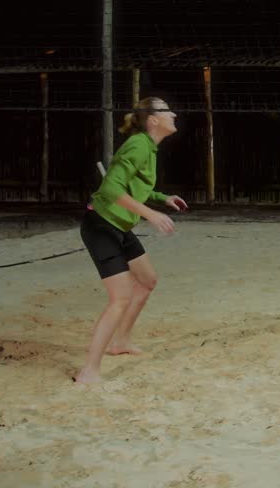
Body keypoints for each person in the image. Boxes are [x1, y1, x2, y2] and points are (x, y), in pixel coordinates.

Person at [74, 97, 187, 384]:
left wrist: (162, 198)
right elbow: (110, 188)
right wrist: (150, 213)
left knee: (147, 280)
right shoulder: (139, 145)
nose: (173, 114)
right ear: (153, 120)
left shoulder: (149, 147)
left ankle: (121, 342)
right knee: (121, 297)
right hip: (101, 226)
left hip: (120, 227)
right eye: (166, 110)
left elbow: (133, 186)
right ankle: (89, 371)